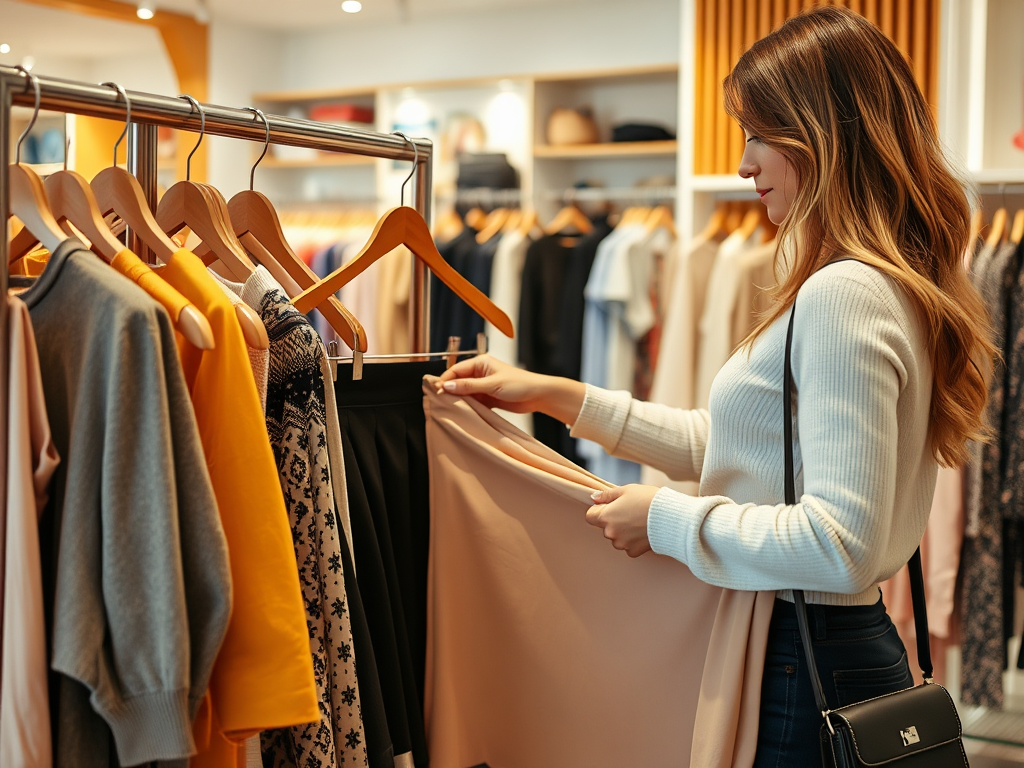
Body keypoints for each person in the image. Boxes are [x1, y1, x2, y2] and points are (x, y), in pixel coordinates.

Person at [437, 6, 994, 765]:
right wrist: (557, 397)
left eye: (760, 135)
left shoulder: (843, 295)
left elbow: (840, 545)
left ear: (824, 136)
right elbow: (745, 445)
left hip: (804, 657)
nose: (743, 164)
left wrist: (666, 521)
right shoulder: (876, 284)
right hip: (821, 646)